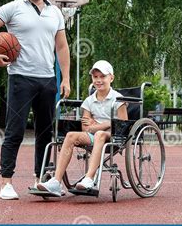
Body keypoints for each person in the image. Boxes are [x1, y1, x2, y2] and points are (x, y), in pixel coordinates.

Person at [0, 0, 70, 200]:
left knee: (45, 133)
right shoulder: (13, 8)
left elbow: (62, 46)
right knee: (15, 131)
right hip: (20, 78)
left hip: (48, 80)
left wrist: (66, 78)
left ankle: (40, 179)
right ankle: (6, 183)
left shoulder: (55, 13)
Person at [37, 60, 128, 197]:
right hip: (95, 135)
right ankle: (56, 182)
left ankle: (89, 178)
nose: (98, 80)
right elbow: (86, 129)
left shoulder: (118, 99)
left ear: (111, 78)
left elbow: (122, 123)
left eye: (102, 76)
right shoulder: (88, 101)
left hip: (115, 135)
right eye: (95, 77)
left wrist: (100, 125)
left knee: (100, 134)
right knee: (70, 136)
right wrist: (104, 124)